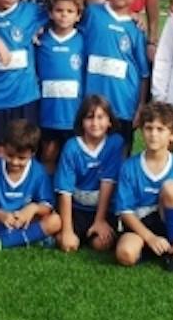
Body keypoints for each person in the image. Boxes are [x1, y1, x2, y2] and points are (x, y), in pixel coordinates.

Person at [112, 101, 173, 273]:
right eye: (148, 128)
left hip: (167, 221)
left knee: (172, 188)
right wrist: (150, 238)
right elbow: (125, 211)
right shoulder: (129, 167)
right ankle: (155, 248)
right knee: (125, 254)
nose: (153, 134)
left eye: (160, 129)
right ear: (141, 130)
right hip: (139, 226)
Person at [80, 0, 150, 146]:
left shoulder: (136, 28)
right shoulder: (93, 13)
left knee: (119, 155)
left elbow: (143, 73)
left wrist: (141, 105)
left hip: (122, 105)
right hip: (90, 100)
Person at [0, 119, 61, 252]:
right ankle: (32, 239)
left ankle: (0, 243)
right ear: (4, 148)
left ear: (32, 154)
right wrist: (1, 215)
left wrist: (32, 209)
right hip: (1, 221)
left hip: (26, 222)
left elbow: (47, 206)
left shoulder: (39, 172)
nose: (14, 162)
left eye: (21, 158)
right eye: (10, 155)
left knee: (55, 221)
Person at [53, 94, 125, 253]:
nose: (95, 123)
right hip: (77, 209)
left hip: (103, 209)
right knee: (67, 243)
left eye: (101, 117)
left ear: (109, 121)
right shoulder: (71, 146)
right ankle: (74, 232)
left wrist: (100, 220)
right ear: (81, 121)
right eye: (89, 117)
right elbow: (65, 191)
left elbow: (108, 182)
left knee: (101, 244)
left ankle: (95, 229)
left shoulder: (115, 143)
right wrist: (67, 230)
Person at [0, 0, 45, 148]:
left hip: (25, 95)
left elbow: (62, 12)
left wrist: (42, 29)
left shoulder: (31, 12)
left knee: (26, 146)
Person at [34, 0, 86, 170]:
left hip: (73, 115)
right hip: (48, 114)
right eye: (59, 10)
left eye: (70, 11)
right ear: (50, 13)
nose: (64, 15)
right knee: (48, 155)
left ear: (78, 15)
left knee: (71, 160)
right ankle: (46, 197)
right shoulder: (41, 40)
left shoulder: (82, 40)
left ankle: (67, 196)